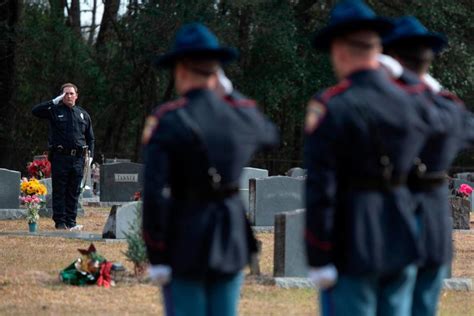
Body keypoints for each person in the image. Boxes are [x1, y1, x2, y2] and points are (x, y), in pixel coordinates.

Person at [304, 1, 436, 315]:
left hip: (353, 239)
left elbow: (321, 188)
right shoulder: (414, 100)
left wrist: (318, 254)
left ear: (339, 49)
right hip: (403, 234)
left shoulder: (332, 106)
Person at [141, 23, 279, 316]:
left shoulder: (167, 120)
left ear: (180, 70)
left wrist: (157, 253)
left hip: (184, 234)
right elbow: (270, 135)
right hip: (229, 234)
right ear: (217, 72)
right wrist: (232, 95)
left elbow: (153, 194)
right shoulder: (239, 114)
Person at [383, 16, 474, 316]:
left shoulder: (383, 103)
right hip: (434, 222)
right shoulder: (449, 107)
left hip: (392, 215)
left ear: (392, 58)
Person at [32, 83, 94, 230]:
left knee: (74, 191)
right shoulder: (54, 110)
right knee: (59, 190)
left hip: (78, 158)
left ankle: (71, 221)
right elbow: (35, 111)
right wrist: (54, 101)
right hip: (61, 157)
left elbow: (90, 138)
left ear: (76, 96)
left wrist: (90, 156)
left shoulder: (83, 114)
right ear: (61, 96)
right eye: (65, 94)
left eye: (71, 93)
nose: (69, 96)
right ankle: (60, 222)